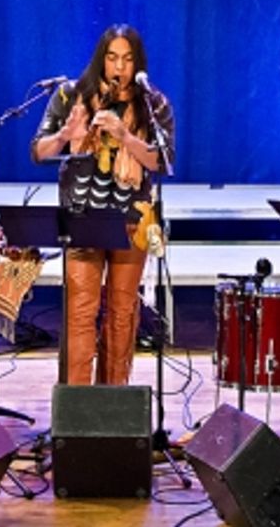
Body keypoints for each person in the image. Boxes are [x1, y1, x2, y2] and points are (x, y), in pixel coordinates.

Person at [31, 24, 175, 385]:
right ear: (101, 59)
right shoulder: (71, 95)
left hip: (132, 218)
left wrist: (125, 135)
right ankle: (77, 411)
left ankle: (113, 406)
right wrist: (66, 135)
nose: (119, 68)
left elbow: (163, 162)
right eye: (112, 58)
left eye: (127, 60)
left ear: (137, 63)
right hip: (82, 217)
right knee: (81, 312)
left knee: (123, 313)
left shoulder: (153, 103)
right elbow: (38, 152)